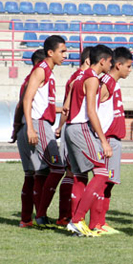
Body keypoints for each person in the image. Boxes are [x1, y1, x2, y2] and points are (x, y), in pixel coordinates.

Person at [17, 37, 66, 228]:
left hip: (34, 123)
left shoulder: (48, 73)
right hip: (38, 125)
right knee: (58, 168)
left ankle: (26, 219)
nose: (65, 55)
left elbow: (38, 103)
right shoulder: (41, 70)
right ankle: (42, 214)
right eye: (62, 51)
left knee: (36, 173)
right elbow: (27, 100)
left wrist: (62, 110)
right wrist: (30, 127)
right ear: (50, 53)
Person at [65, 44, 114, 237]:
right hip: (81, 128)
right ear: (102, 61)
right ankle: (76, 220)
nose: (110, 66)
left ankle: (77, 222)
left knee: (79, 176)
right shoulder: (92, 78)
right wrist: (103, 141)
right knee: (102, 173)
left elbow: (68, 105)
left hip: (71, 127)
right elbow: (92, 111)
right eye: (110, 62)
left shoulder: (79, 77)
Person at [91, 47, 133, 234]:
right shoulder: (106, 83)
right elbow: (93, 109)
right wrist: (102, 139)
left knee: (108, 184)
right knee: (102, 182)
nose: (130, 70)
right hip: (106, 139)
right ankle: (95, 223)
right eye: (129, 66)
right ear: (118, 65)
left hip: (114, 139)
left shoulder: (114, 84)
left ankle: (101, 221)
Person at [55, 46, 92, 226]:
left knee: (72, 172)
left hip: (70, 127)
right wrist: (61, 125)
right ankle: (70, 216)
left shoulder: (75, 77)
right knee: (76, 172)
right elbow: (67, 106)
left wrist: (61, 126)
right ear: (88, 61)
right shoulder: (83, 78)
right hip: (78, 129)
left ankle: (67, 216)